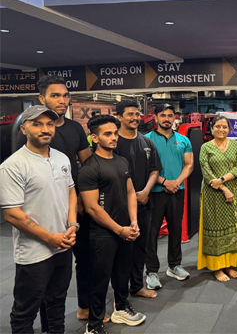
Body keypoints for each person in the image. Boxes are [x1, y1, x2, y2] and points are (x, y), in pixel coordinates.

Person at [15, 75, 94, 324]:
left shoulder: (74, 128)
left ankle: (84, 307)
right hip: (44, 208)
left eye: (65, 95)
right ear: (42, 99)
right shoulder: (29, 131)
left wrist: (82, 198)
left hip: (74, 204)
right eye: (55, 95)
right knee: (44, 269)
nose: (62, 100)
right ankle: (48, 323)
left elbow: (86, 164)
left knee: (83, 259)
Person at [0, 105, 77, 334]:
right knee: (25, 311)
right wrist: (50, 237)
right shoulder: (13, 166)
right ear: (23, 129)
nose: (45, 129)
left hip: (63, 244)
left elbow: (71, 191)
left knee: (57, 302)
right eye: (37, 124)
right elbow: (12, 214)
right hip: (34, 252)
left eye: (49, 124)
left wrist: (72, 225)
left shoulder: (61, 158)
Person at [78, 115, 146, 334]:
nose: (114, 137)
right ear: (95, 138)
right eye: (107, 134)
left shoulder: (121, 161)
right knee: (99, 280)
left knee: (122, 273)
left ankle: (121, 308)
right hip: (103, 233)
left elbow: (130, 192)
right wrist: (119, 229)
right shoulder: (89, 168)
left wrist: (133, 222)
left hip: (125, 229)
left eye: (115, 133)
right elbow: (92, 207)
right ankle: (94, 325)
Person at [114, 100, 161, 298]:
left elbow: (155, 170)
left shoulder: (147, 142)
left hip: (143, 204)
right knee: (121, 251)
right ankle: (119, 293)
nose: (135, 118)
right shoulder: (113, 142)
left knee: (140, 247)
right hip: (118, 207)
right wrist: (129, 196)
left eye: (137, 114)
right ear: (119, 117)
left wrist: (146, 191)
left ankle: (136, 286)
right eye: (130, 114)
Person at [145, 104, 193, 289]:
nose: (167, 119)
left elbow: (189, 165)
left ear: (175, 118)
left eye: (170, 115)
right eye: (163, 115)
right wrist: (165, 182)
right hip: (154, 192)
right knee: (151, 233)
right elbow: (145, 168)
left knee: (175, 230)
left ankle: (174, 266)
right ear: (156, 118)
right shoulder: (146, 140)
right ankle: (151, 271)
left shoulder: (183, 140)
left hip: (176, 191)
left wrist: (176, 182)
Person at [197, 116, 237, 282]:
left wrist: (223, 180)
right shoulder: (205, 147)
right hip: (212, 194)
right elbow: (206, 171)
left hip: (231, 192)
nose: (221, 129)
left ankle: (229, 264)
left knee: (232, 227)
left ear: (229, 129)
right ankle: (217, 267)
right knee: (214, 228)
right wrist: (223, 188)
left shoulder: (235, 145)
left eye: (224, 126)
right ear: (211, 129)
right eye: (217, 126)